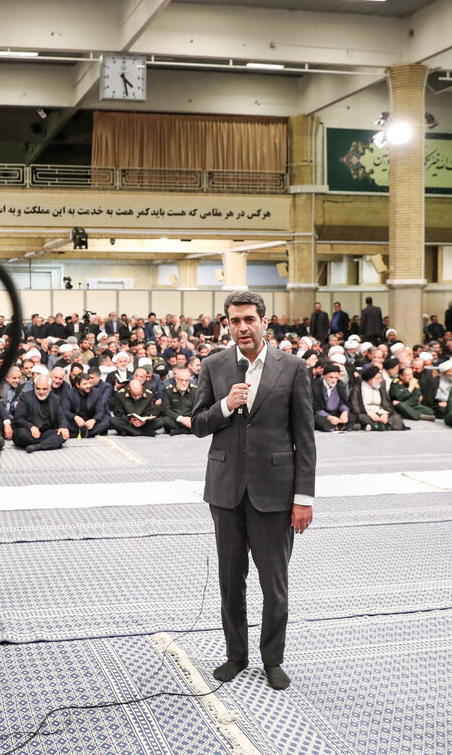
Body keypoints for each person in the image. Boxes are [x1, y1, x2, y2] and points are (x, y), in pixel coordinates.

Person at [191, 290, 315, 691]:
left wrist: (303, 499)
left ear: (264, 321)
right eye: (234, 321)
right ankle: (236, 655)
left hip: (275, 495)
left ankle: (272, 659)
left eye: (249, 319)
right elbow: (198, 423)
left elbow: (305, 439)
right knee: (231, 582)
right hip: (225, 492)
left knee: (274, 585)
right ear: (227, 324)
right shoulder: (214, 365)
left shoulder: (293, 368)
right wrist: (225, 405)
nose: (242, 327)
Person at [12, 374, 69, 452]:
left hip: (45, 432)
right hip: (28, 431)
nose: (41, 392)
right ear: (34, 387)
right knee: (21, 435)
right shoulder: (25, 397)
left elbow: (60, 416)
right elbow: (18, 419)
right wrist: (31, 427)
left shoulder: (54, 399)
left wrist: (63, 427)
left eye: (44, 389)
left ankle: (38, 446)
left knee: (63, 434)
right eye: (38, 388)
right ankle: (49, 443)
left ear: (50, 388)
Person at [312, 364, 353, 431]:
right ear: (325, 376)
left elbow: (344, 402)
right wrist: (329, 417)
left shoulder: (340, 385)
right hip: (323, 415)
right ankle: (339, 426)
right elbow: (315, 408)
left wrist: (344, 412)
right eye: (331, 377)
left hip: (336, 413)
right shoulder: (316, 387)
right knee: (319, 420)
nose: (334, 380)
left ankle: (338, 426)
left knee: (352, 417)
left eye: (336, 378)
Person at [160, 366, 197, 435]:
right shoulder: (168, 390)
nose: (184, 383)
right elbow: (165, 409)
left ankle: (178, 431)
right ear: (176, 379)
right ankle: (188, 430)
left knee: (200, 419)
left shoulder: (194, 391)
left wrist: (189, 419)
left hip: (189, 418)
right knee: (165, 420)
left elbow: (197, 408)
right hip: (175, 419)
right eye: (181, 380)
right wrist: (180, 418)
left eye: (186, 380)